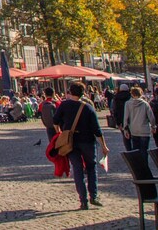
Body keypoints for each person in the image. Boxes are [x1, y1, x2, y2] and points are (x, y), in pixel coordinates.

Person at [53, 81, 109, 210]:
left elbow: (55, 121)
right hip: (88, 141)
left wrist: (60, 133)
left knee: (77, 169)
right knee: (91, 166)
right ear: (83, 93)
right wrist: (104, 146)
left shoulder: (64, 105)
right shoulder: (88, 107)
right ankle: (93, 195)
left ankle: (83, 200)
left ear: (70, 92)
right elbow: (97, 130)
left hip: (71, 142)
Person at [123, 86, 155, 153]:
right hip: (144, 130)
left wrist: (125, 129)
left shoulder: (128, 104)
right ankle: (144, 163)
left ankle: (137, 163)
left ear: (132, 94)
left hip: (134, 130)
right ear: (141, 93)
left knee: (136, 151)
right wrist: (153, 126)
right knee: (144, 151)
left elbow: (126, 117)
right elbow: (151, 117)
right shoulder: (145, 104)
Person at [112, 83, 132, 151]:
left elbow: (115, 111)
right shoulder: (130, 97)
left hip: (121, 119)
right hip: (131, 119)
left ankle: (129, 150)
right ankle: (135, 151)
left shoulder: (116, 98)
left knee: (125, 136)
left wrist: (117, 122)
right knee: (134, 136)